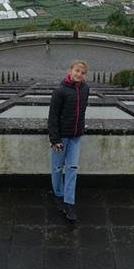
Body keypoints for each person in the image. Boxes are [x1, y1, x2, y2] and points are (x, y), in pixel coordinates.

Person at [47, 60, 89, 222]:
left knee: (72, 167)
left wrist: (81, 127)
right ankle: (58, 194)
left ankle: (69, 202)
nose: (79, 74)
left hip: (76, 136)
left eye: (82, 72)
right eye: (77, 71)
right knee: (57, 167)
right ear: (70, 70)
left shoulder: (85, 89)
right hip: (61, 137)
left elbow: (83, 110)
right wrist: (54, 138)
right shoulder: (60, 91)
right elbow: (53, 117)